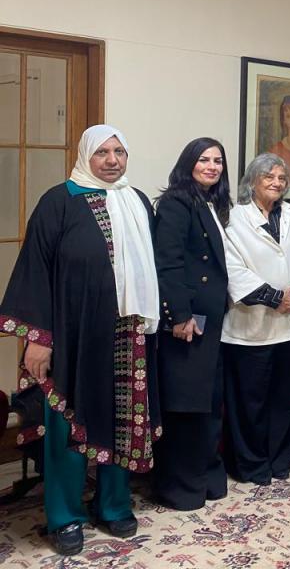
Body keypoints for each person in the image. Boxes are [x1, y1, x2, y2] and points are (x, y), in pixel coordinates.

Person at [0, 125, 160, 556]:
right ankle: (65, 516)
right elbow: (35, 269)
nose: (112, 160)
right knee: (67, 422)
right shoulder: (59, 201)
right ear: (85, 155)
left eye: (119, 152)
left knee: (123, 419)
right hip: (72, 335)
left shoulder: (137, 201)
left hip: (128, 334)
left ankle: (113, 504)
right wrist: (39, 339)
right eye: (102, 152)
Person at [222, 153, 290, 484]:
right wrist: (276, 298)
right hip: (251, 327)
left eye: (281, 178)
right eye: (269, 177)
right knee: (250, 403)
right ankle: (252, 466)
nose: (276, 183)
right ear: (252, 181)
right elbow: (233, 270)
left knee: (283, 399)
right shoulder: (233, 220)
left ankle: (280, 461)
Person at [152, 137, 233, 511]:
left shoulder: (212, 203)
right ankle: (181, 488)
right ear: (189, 163)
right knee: (185, 406)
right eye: (204, 159)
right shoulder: (175, 202)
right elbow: (167, 264)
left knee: (209, 403)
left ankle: (206, 479)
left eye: (218, 161)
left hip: (212, 321)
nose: (212, 166)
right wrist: (180, 316)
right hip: (188, 322)